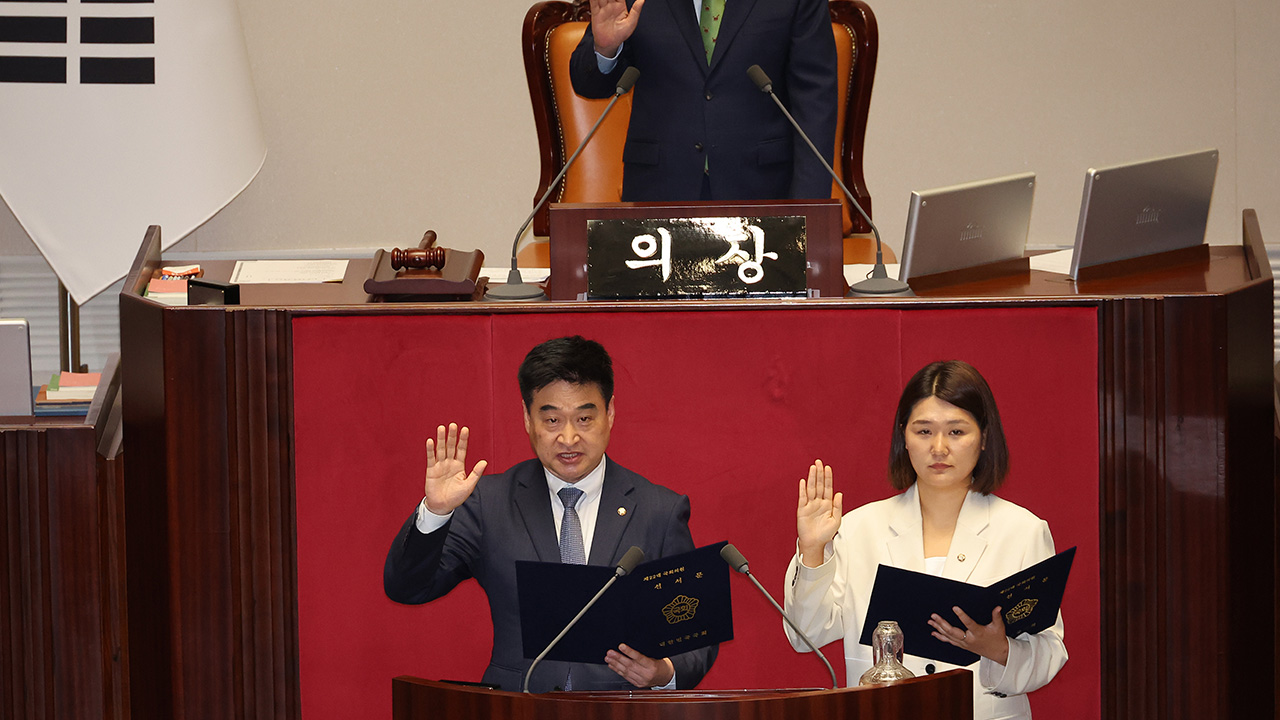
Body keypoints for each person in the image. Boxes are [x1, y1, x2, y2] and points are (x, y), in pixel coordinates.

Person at [383, 335, 717, 692]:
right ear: (528, 419)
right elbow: (407, 588)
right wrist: (435, 513)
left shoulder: (659, 510)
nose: (569, 438)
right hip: (517, 708)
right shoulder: (489, 502)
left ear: (611, 413)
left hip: (622, 710)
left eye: (584, 418)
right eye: (553, 420)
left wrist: (664, 672)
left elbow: (695, 629)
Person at [783, 360, 1067, 719]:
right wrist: (812, 551)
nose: (939, 448)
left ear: (983, 439)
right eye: (924, 431)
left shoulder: (1022, 531)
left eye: (956, 432)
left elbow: (1050, 652)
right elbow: (804, 635)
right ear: (904, 436)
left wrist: (1002, 650)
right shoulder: (859, 529)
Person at [568, 0, 838, 202]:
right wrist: (606, 49)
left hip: (764, 192)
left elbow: (815, 102)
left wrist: (809, 209)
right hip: (659, 194)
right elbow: (588, 84)